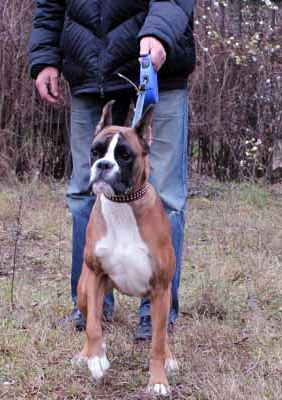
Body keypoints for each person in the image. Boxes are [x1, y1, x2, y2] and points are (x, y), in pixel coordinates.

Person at [28, 1, 195, 340]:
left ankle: (156, 314)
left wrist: (159, 32)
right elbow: (50, 4)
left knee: (165, 197)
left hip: (159, 67)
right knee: (85, 192)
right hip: (90, 69)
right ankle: (90, 307)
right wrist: (44, 56)